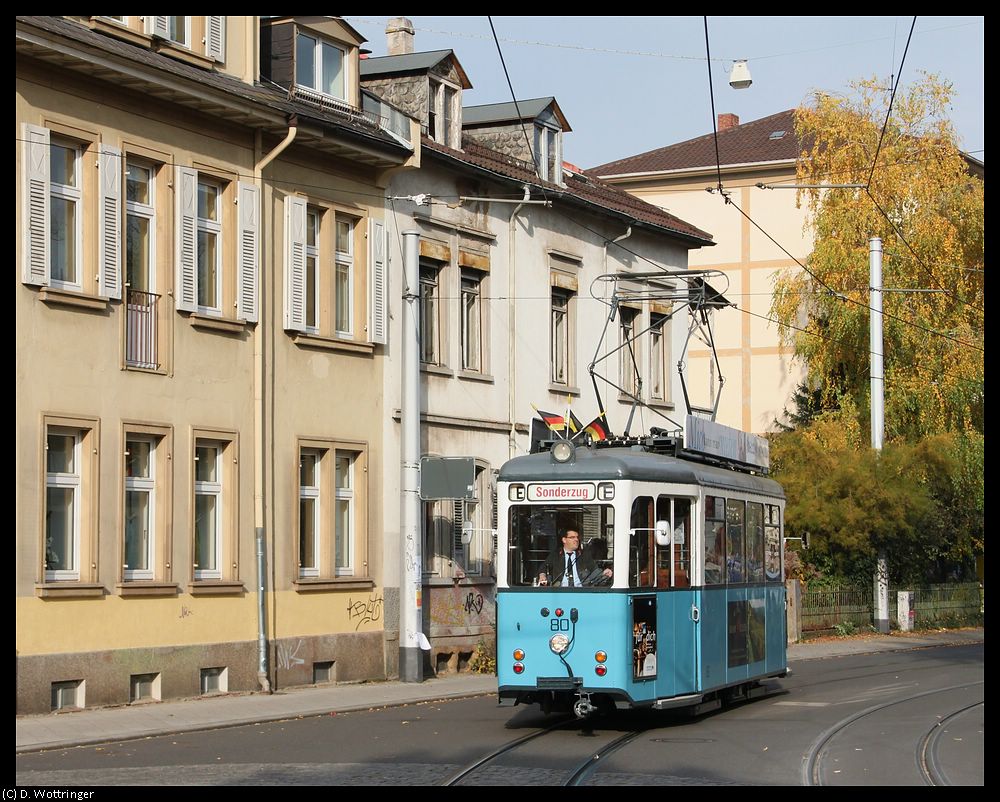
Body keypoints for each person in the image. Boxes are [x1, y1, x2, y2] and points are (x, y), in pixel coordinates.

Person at [537, 528, 613, 587]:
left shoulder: (584, 554)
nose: (576, 540)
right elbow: (544, 567)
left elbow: (594, 570)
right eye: (572, 537)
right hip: (560, 591)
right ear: (564, 540)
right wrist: (542, 575)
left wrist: (603, 573)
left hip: (580, 591)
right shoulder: (556, 554)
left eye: (577, 537)